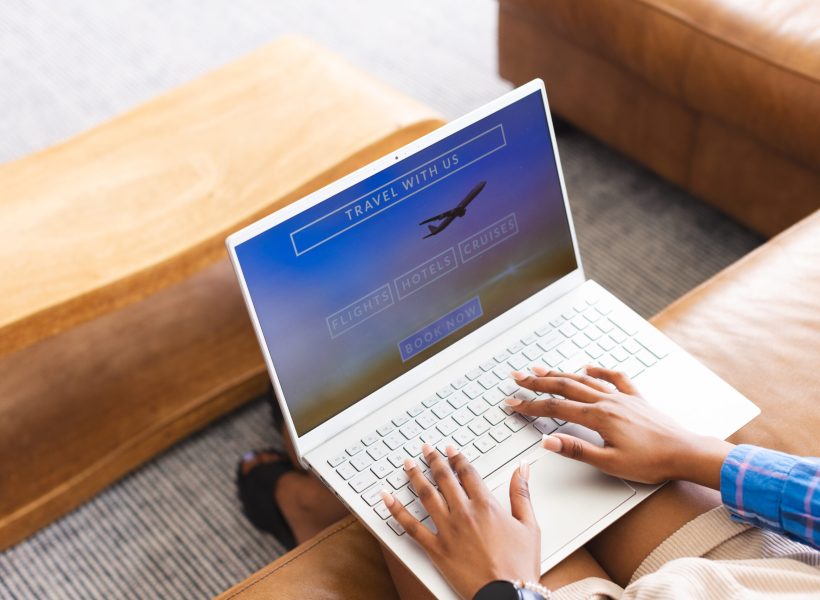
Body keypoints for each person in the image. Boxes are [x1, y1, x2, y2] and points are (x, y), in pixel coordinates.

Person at [238, 365, 820, 599]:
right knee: (562, 438)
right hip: (767, 582)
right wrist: (697, 453)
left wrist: (505, 588)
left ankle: (311, 503)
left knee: (426, 485)